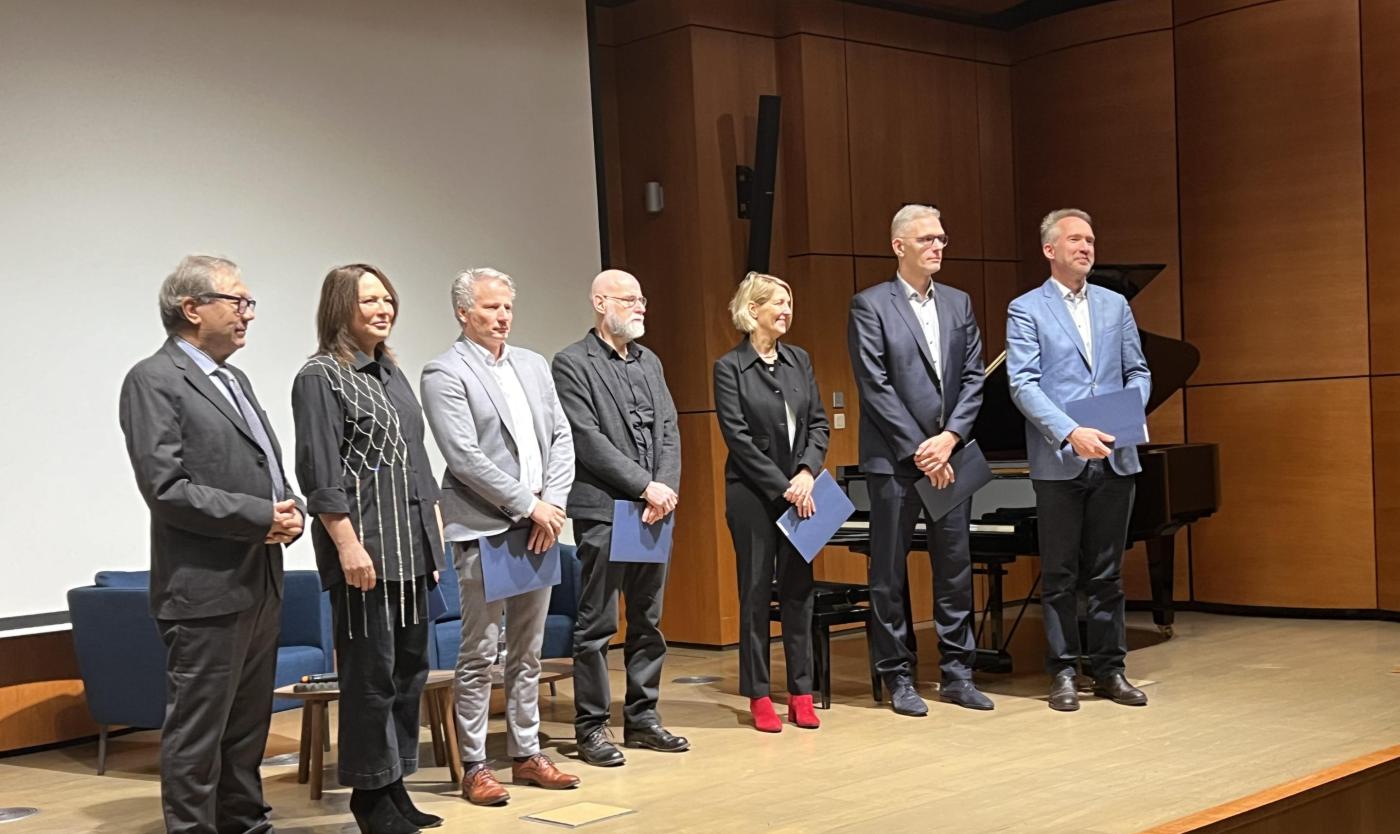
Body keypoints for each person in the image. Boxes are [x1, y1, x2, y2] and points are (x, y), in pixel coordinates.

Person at [119, 255, 305, 834]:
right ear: (192, 308)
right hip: (205, 589)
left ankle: (246, 824)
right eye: (238, 301)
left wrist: (289, 506)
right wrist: (257, 516)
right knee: (198, 734)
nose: (248, 314)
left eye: (249, 303)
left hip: (260, 579)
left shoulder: (234, 378)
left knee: (247, 728)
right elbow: (166, 488)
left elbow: (262, 462)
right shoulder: (153, 378)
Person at [292, 264, 445, 834]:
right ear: (340, 309)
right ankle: (368, 796)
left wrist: (433, 545)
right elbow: (320, 473)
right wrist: (348, 546)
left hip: (411, 551)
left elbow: (420, 466)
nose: (383, 309)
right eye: (369, 301)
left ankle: (395, 784)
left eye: (387, 298)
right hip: (365, 554)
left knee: (408, 673)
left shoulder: (392, 373)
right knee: (369, 680)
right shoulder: (320, 377)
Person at [420, 268, 581, 805]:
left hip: (541, 526)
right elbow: (463, 457)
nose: (502, 317)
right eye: (490, 308)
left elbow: (561, 436)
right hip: (488, 529)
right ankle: (474, 765)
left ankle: (527, 752)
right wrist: (527, 506)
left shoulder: (532, 364)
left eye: (507, 307)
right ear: (463, 313)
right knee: (479, 654)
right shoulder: (444, 372)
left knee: (529, 652)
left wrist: (552, 505)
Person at [846, 204, 992, 717]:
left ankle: (957, 673)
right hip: (895, 460)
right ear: (898, 246)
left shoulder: (958, 302)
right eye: (927, 239)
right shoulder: (870, 305)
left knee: (955, 567)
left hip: (949, 456)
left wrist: (949, 438)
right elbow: (875, 386)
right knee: (889, 572)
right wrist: (921, 449)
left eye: (942, 238)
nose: (938, 247)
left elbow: (975, 377)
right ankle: (899, 676)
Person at [1006, 208, 1152, 712]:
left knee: (1109, 574)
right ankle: (1064, 672)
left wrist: (1129, 413)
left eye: (1091, 239)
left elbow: (1138, 369)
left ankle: (1111, 670)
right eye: (1075, 239)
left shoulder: (1116, 305)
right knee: (1062, 574)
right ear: (1050, 250)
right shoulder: (1026, 309)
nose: (1086, 247)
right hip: (1060, 458)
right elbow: (1021, 383)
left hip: (1115, 453)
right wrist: (1070, 430)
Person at [550, 269, 687, 766]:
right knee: (597, 624)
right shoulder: (571, 363)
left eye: (642, 298)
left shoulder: (650, 362)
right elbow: (588, 441)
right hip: (606, 509)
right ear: (600, 302)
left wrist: (664, 489)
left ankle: (643, 718)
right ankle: (590, 727)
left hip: (653, 510)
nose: (640, 306)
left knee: (648, 620)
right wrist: (643, 485)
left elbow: (670, 428)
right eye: (630, 299)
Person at [713, 272, 829, 733]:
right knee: (757, 592)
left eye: (789, 301)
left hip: (801, 491)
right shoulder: (729, 367)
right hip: (753, 495)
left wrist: (806, 473)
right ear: (752, 309)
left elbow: (818, 423)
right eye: (777, 303)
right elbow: (737, 439)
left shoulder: (799, 360)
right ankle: (759, 694)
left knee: (800, 592)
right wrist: (784, 486)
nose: (786, 310)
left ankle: (801, 692)